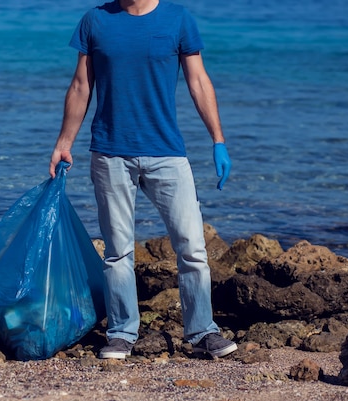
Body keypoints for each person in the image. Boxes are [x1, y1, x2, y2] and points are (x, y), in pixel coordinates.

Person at [49, 0, 237, 359]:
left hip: (167, 152)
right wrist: (63, 143)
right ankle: (121, 332)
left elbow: (198, 80)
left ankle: (202, 331)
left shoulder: (178, 19)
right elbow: (80, 86)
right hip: (109, 152)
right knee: (118, 251)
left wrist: (218, 140)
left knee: (193, 248)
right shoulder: (96, 21)